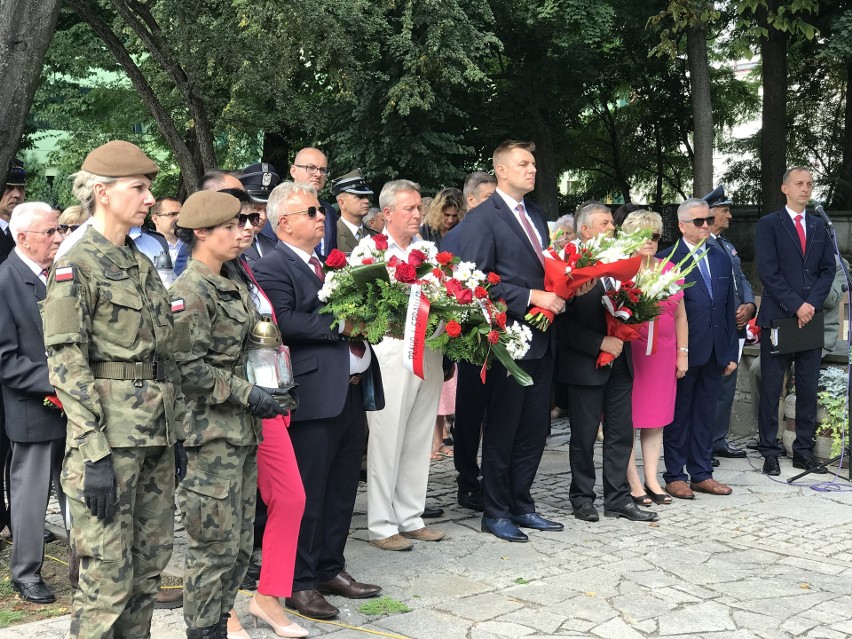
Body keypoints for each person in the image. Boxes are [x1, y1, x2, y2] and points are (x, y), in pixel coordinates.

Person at [42, 140, 186, 638]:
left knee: (147, 572)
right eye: (139, 188)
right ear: (102, 193)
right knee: (106, 581)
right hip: (108, 444)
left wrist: (176, 434)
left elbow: (162, 355)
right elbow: (66, 361)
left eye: (149, 188)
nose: (150, 198)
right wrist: (94, 452)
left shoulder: (140, 262)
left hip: (153, 440)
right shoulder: (76, 262)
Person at [253, 181, 383, 620]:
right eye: (311, 211)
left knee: (344, 485)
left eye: (320, 211)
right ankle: (299, 581)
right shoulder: (273, 266)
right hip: (312, 396)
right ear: (284, 222)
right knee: (307, 491)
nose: (320, 217)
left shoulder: (325, 264)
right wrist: (344, 323)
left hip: (348, 392)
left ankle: (331, 566)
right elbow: (283, 320)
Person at [170, 190, 293, 639]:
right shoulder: (191, 291)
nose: (243, 231)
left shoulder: (232, 281)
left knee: (239, 547)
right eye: (231, 225)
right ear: (201, 232)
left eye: (245, 223)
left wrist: (271, 382)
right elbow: (187, 369)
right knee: (213, 547)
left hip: (240, 431)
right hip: (211, 435)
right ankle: (203, 629)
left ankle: (218, 623)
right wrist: (248, 393)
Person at [456, 140, 566, 542]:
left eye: (534, 163)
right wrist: (531, 297)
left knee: (535, 428)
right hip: (507, 341)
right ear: (500, 170)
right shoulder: (483, 218)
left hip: (543, 336)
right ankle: (495, 509)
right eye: (523, 163)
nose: (532, 169)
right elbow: (474, 279)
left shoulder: (535, 214)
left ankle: (522, 502)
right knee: (503, 427)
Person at [354, 180, 446, 551]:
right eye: (409, 208)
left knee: (419, 435)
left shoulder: (429, 251)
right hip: (390, 351)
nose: (417, 214)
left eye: (419, 208)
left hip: (430, 351)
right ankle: (380, 524)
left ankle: (410, 515)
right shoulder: (368, 252)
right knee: (386, 437)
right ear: (386, 213)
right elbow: (360, 304)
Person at [556, 202, 658, 523]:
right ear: (585, 230)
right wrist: (600, 342)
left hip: (620, 362)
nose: (611, 227)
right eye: (604, 223)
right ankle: (582, 497)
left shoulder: (622, 261)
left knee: (620, 434)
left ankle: (618, 498)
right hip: (586, 364)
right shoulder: (569, 264)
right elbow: (562, 324)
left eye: (611, 223)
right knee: (584, 436)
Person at [0, 202, 66, 604]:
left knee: (76, 490)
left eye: (59, 230)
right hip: (34, 407)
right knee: (31, 493)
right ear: (23, 238)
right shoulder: (5, 280)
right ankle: (25, 572)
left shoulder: (60, 274)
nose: (59, 238)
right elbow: (7, 360)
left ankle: (83, 563)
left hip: (74, 404)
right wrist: (58, 383)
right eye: (51, 232)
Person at [755, 167, 836, 476]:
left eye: (810, 184)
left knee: (807, 387)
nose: (806, 189)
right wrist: (796, 304)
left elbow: (828, 269)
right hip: (779, 317)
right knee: (773, 386)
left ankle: (803, 450)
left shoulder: (819, 226)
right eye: (800, 184)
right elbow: (768, 270)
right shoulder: (769, 224)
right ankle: (769, 451)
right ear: (784, 188)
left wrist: (811, 304)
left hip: (809, 319)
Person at [657, 198, 737, 499]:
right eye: (698, 222)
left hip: (715, 350)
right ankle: (675, 474)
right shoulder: (667, 260)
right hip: (683, 352)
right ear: (681, 226)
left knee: (705, 413)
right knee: (679, 413)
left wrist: (730, 351)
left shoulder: (720, 257)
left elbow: (727, 306)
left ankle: (702, 473)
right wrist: (677, 352)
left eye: (708, 220)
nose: (706, 225)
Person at [620, 211, 687, 506]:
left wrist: (682, 354)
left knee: (655, 420)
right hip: (631, 353)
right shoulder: (621, 270)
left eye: (655, 236)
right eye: (642, 235)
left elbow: (681, 316)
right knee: (626, 420)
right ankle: (632, 481)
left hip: (663, 352)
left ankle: (652, 478)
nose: (649, 241)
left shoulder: (670, 269)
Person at [703, 186, 755, 462]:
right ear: (710, 214)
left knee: (727, 385)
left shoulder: (727, 244)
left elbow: (743, 280)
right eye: (725, 211)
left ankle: (717, 439)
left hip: (735, 326)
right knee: (711, 385)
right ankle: (704, 444)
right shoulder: (704, 245)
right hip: (716, 327)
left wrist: (749, 305)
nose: (730, 216)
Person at [290, 148, 337, 258]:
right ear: (293, 171)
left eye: (323, 170)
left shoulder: (329, 211)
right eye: (311, 168)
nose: (318, 174)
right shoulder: (279, 207)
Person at [331, 169, 374, 254]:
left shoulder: (375, 236)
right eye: (360, 197)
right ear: (342, 203)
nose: (366, 201)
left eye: (366, 196)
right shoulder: (331, 236)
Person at [151, 196, 184, 264]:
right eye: (172, 214)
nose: (179, 218)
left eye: (182, 214)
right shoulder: (147, 248)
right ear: (155, 219)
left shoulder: (193, 244)